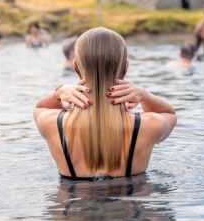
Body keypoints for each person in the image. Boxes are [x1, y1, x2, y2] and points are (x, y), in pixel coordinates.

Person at [34, 27, 177, 180]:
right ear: (125, 68)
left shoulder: (51, 123)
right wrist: (145, 96)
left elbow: (40, 107)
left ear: (76, 68)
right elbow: (169, 114)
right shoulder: (148, 125)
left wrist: (58, 92)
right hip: (132, 195)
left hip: (72, 195)